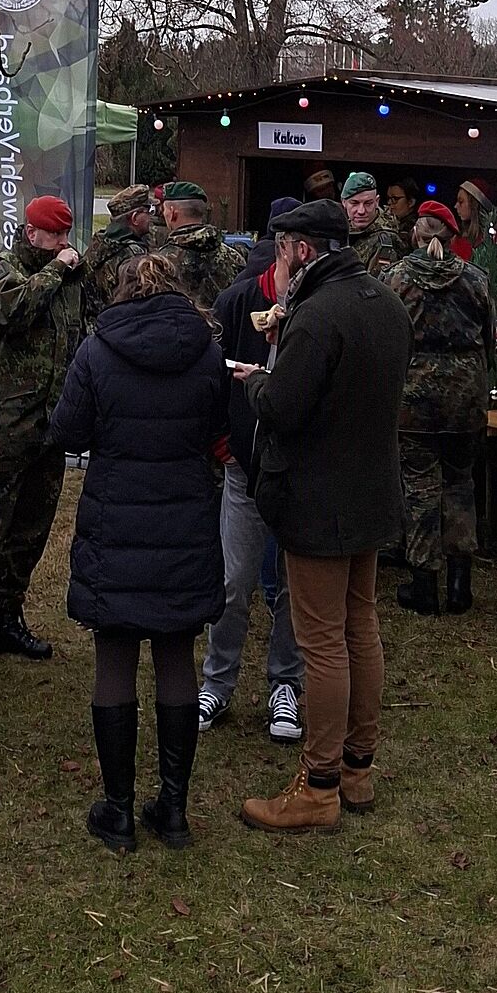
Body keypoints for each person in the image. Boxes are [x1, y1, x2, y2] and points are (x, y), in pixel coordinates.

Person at [235, 199, 411, 833]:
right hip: (371, 490)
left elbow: (282, 408)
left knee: (321, 642)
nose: (279, 260)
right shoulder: (385, 302)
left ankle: (320, 784)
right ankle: (359, 769)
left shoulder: (316, 316)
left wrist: (256, 379)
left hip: (319, 499)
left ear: (303, 250)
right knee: (360, 625)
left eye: (282, 249)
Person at [51, 254, 229, 852]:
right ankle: (172, 810)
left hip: (117, 518)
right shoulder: (206, 351)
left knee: (115, 656)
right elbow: (220, 425)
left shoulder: (99, 350)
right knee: (178, 651)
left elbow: (68, 432)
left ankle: (120, 809)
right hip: (184, 515)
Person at [0, 195, 85, 684]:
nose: (65, 245)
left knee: (31, 530)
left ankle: (6, 619)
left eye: (67, 236)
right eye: (55, 237)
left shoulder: (70, 281)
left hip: (48, 427)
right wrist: (56, 271)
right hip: (1, 428)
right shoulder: (1, 273)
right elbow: (16, 311)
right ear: (31, 235)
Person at [201, 196, 304, 742]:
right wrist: (224, 444)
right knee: (233, 580)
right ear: (281, 250)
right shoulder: (238, 300)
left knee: (293, 586)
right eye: (300, 253)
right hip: (243, 467)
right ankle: (218, 681)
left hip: (302, 473)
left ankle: (285, 684)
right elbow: (214, 380)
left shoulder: (320, 305)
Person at [384, 201, 495, 616]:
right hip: (465, 400)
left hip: (413, 401)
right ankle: (460, 584)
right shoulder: (477, 280)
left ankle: (424, 584)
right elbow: (487, 338)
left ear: (416, 234)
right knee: (460, 484)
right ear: (451, 238)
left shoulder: (394, 278)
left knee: (420, 489)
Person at [160, 181, 244, 310]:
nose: (163, 214)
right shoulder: (235, 258)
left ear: (172, 213)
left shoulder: (161, 263)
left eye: (164, 209)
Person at [83, 184, 153, 323]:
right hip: (122, 326)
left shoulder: (98, 243)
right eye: (148, 211)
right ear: (134, 218)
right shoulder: (134, 256)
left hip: (97, 325)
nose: (151, 216)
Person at [453, 178, 497, 319]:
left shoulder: (494, 240)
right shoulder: (456, 240)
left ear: (475, 204)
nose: (456, 206)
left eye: (461, 201)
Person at [341, 172, 402, 275]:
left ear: (376, 201)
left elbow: (379, 287)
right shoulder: (339, 233)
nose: (361, 211)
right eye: (354, 203)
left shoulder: (385, 239)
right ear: (344, 202)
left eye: (368, 203)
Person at [384, 177, 422, 243]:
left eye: (395, 199)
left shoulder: (417, 228)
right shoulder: (389, 223)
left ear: (411, 202)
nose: (389, 203)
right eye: (388, 198)